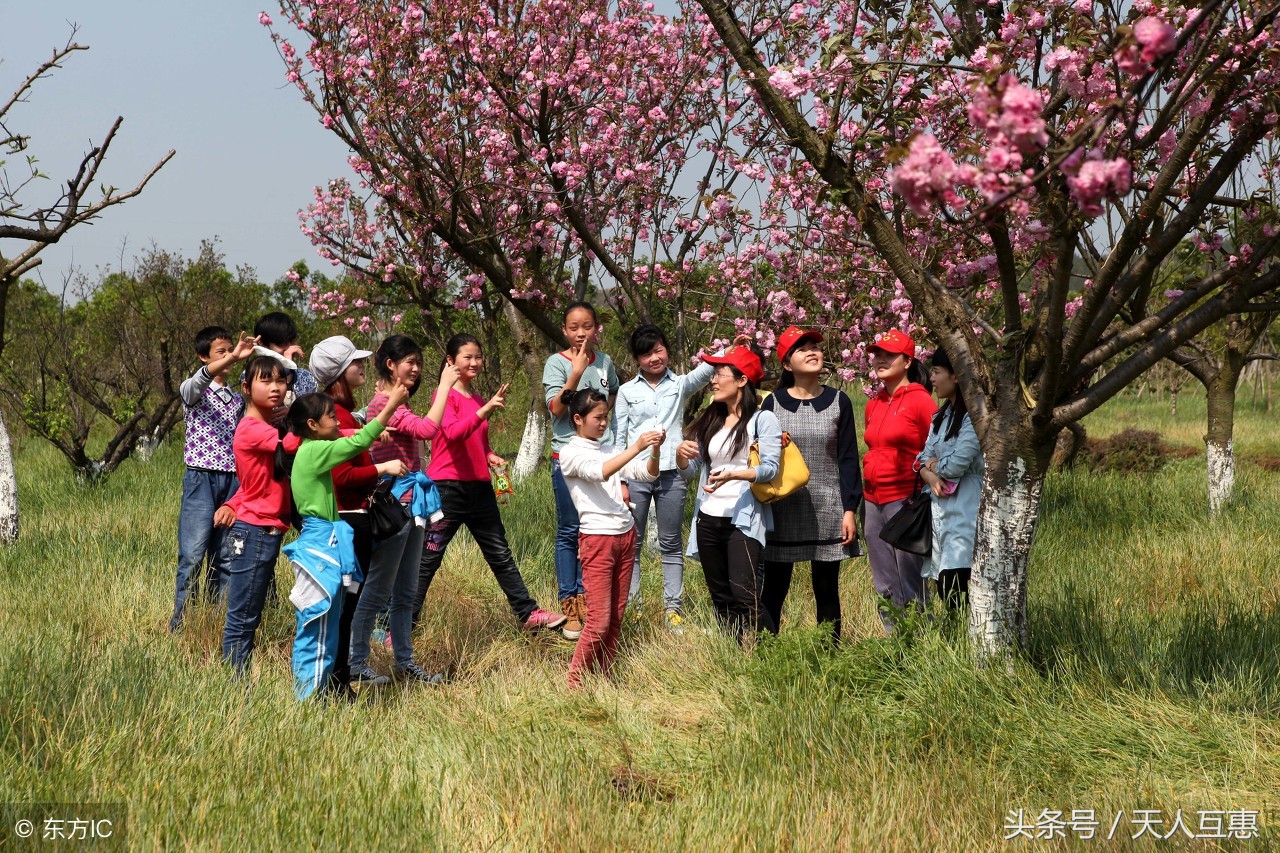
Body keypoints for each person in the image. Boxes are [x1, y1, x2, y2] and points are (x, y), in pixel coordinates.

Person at [417, 334, 568, 633]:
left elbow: (477, 442)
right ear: (450, 361)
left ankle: (529, 614)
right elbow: (454, 434)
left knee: (500, 554)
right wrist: (485, 410)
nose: (474, 362)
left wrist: (490, 456)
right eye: (467, 357)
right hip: (447, 488)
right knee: (428, 560)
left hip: (479, 487)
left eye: (478, 357)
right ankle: (397, 627)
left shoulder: (476, 398)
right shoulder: (443, 395)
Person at [614, 325, 748, 633]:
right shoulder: (626, 391)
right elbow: (619, 436)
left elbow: (707, 370)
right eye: (646, 354)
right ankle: (632, 609)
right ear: (637, 360)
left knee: (670, 543)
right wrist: (619, 480)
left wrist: (730, 350)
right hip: (636, 474)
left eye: (659, 350)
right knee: (631, 544)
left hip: (672, 474)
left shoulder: (679, 384)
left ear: (667, 351)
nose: (654, 358)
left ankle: (672, 610)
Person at [282, 386, 411, 700]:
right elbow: (358, 441)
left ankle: (322, 694)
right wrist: (392, 403)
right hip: (321, 541)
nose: (336, 421)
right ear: (312, 425)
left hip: (324, 537)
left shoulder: (310, 448)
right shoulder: (314, 451)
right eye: (330, 417)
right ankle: (310, 700)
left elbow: (347, 435)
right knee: (320, 624)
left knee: (325, 622)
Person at [760, 327, 862, 642]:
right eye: (801, 349)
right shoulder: (772, 404)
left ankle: (830, 656)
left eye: (814, 346)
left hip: (828, 507)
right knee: (775, 588)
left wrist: (849, 509)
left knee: (827, 588)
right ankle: (764, 655)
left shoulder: (839, 400)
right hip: (783, 508)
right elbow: (759, 457)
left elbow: (848, 459)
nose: (812, 351)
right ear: (787, 364)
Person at [359, 335, 452, 683]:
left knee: (406, 592)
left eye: (418, 362)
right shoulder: (385, 405)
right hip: (394, 505)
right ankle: (357, 664)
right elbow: (428, 429)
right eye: (409, 362)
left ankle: (404, 663)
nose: (415, 368)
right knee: (380, 590)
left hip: (413, 504)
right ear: (390, 364)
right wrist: (445, 385)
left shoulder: (398, 404)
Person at [558, 389, 663, 687]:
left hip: (625, 535)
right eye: (598, 417)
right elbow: (600, 473)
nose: (604, 423)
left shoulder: (608, 449)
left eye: (606, 417)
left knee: (616, 618)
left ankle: (603, 677)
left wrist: (654, 450)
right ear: (578, 419)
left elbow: (647, 474)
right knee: (599, 621)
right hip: (597, 540)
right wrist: (637, 445)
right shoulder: (570, 453)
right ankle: (575, 682)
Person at [676, 344, 780, 641]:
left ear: (742, 380)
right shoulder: (711, 418)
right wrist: (681, 455)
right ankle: (733, 656)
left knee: (745, 593)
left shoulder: (762, 419)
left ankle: (770, 655)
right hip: (708, 518)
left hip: (742, 519)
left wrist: (737, 473)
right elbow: (690, 471)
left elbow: (771, 468)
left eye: (720, 374)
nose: (713, 380)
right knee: (720, 595)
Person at [215, 355, 300, 672]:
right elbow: (293, 444)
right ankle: (235, 690)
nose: (276, 388)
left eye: (281, 381)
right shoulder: (253, 429)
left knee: (248, 611)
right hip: (254, 531)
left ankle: (236, 683)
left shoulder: (265, 426)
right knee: (243, 615)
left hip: (261, 529)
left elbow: (251, 484)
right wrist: (305, 417)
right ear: (246, 388)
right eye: (266, 381)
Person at [170, 327, 257, 632]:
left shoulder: (236, 399)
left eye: (230, 350)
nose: (229, 357)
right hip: (200, 480)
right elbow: (200, 380)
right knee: (192, 556)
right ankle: (182, 627)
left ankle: (216, 626)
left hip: (232, 482)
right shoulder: (192, 390)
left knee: (227, 558)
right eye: (221, 352)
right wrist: (233, 356)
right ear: (203, 356)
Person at [542, 301, 620, 639]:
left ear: (595, 329)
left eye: (587, 326)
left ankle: (592, 599)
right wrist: (574, 372)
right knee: (570, 529)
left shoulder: (604, 362)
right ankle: (570, 604)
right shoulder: (555, 363)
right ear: (564, 330)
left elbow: (612, 392)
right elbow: (556, 410)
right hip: (567, 458)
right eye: (574, 327)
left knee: (596, 528)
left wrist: (606, 428)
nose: (581, 333)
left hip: (601, 457)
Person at [309, 335, 381, 693]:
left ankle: (338, 681)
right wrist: (382, 471)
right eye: (355, 362)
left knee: (348, 605)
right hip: (349, 518)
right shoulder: (333, 416)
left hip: (356, 516)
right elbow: (342, 477)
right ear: (338, 372)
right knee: (344, 605)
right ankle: (335, 683)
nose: (362, 366)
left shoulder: (343, 413)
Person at [861, 329, 937, 631]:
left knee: (910, 580)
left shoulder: (921, 401)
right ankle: (896, 643)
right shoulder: (873, 403)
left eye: (888, 355)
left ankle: (921, 642)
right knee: (884, 580)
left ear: (907, 361)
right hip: (872, 500)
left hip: (905, 499)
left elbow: (935, 449)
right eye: (877, 354)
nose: (880, 360)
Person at [916, 347, 983, 611]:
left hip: (966, 505)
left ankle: (966, 644)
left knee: (955, 580)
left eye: (936, 371)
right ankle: (954, 642)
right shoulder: (941, 417)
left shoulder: (974, 417)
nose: (931, 378)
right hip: (940, 508)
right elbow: (921, 458)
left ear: (957, 376)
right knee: (944, 582)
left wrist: (932, 466)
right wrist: (928, 473)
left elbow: (956, 465)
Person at [254, 311, 319, 397]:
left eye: (291, 341)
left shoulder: (306, 377)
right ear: (262, 344)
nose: (289, 348)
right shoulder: (253, 374)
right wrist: (286, 364)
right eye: (281, 344)